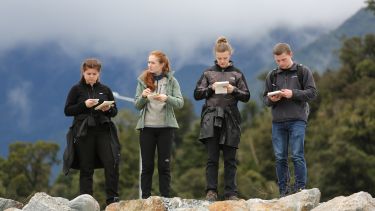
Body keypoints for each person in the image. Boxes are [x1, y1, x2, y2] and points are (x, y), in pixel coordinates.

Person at [194, 36, 250, 201]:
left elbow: (246, 96)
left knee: (230, 159)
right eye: (219, 58)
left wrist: (233, 90)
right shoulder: (208, 73)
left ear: (230, 55)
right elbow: (197, 94)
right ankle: (211, 191)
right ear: (215, 56)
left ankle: (231, 193)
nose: (222, 61)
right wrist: (210, 88)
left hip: (231, 118)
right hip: (211, 118)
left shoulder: (237, 73)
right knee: (212, 158)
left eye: (225, 58)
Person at [263, 43, 317, 197]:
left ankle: (300, 189)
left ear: (291, 54)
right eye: (278, 61)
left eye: (284, 60)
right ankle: (284, 191)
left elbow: (312, 93)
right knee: (280, 157)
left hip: (298, 120)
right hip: (277, 122)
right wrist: (273, 99)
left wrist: (292, 93)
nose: (281, 63)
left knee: (297, 155)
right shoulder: (272, 75)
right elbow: (265, 100)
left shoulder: (302, 71)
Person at [64, 58, 120, 205]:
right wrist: (84, 105)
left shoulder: (105, 90)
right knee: (86, 167)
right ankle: (86, 201)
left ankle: (112, 199)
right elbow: (67, 110)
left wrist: (108, 108)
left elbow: (115, 111)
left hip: (103, 131)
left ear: (99, 74)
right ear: (83, 72)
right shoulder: (76, 89)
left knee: (112, 162)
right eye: (88, 73)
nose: (91, 76)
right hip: (84, 133)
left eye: (94, 74)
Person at [134, 50, 184, 199]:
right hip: (147, 128)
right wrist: (143, 97)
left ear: (162, 64)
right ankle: (145, 199)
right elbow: (137, 105)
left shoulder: (172, 81)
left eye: (153, 62)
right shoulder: (142, 80)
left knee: (164, 166)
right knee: (147, 166)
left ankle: (165, 198)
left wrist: (166, 98)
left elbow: (180, 103)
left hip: (166, 129)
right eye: (148, 62)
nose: (149, 65)